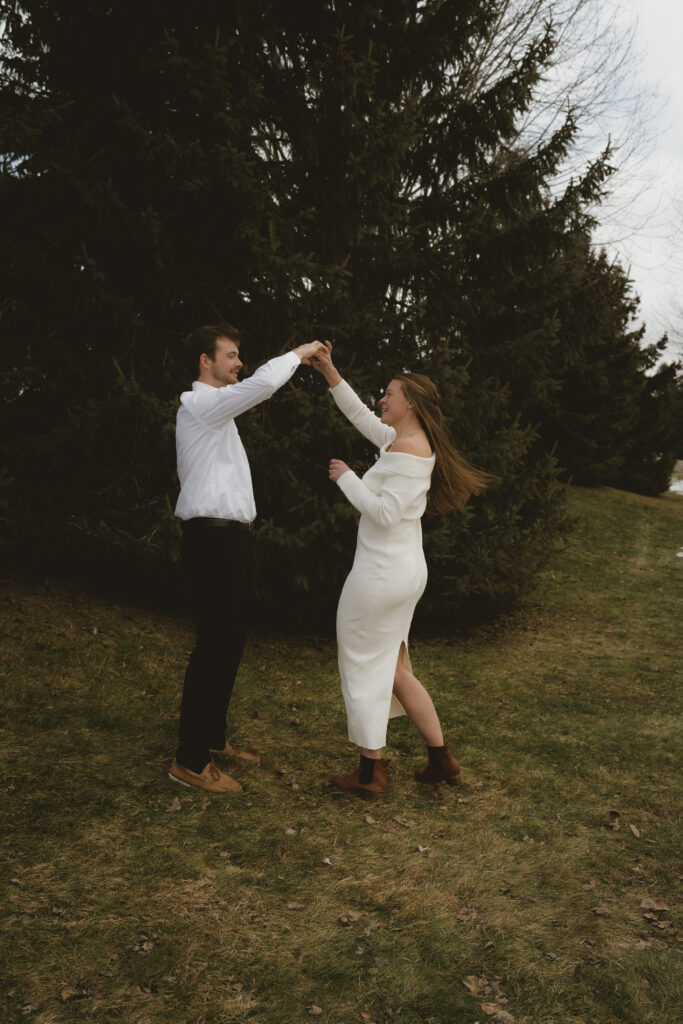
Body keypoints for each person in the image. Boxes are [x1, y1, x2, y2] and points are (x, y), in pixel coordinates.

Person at [310, 341, 491, 798]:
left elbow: (386, 515)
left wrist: (346, 477)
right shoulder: (401, 442)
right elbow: (362, 418)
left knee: (362, 665)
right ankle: (440, 759)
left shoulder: (409, 455)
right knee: (392, 669)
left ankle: (372, 773)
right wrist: (331, 372)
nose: (382, 400)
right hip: (400, 572)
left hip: (380, 576)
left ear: (410, 402)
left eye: (389, 393)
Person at [169, 324, 324, 794]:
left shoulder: (217, 415)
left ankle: (211, 740)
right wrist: (297, 353)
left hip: (229, 540)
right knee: (214, 643)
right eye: (231, 355)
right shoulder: (200, 405)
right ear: (205, 361)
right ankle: (189, 761)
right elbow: (262, 385)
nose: (238, 363)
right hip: (211, 540)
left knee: (230, 640)